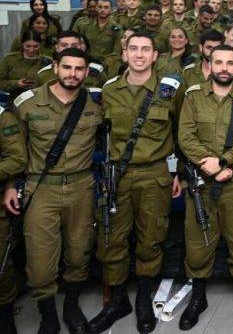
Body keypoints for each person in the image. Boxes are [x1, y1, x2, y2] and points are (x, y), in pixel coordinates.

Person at [88, 33, 183, 334]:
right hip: (117, 175)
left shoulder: (169, 91)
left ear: (155, 56)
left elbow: (182, 133)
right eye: (133, 49)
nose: (139, 54)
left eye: (145, 49)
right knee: (111, 239)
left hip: (154, 174)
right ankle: (117, 300)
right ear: (124, 54)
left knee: (150, 238)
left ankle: (144, 296)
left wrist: (180, 172)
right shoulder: (109, 90)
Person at [4, 48, 99, 334]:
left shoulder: (95, 103)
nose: (73, 74)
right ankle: (47, 313)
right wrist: (9, 185)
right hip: (41, 188)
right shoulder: (27, 103)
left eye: (79, 69)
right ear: (55, 67)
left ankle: (71, 304)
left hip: (81, 186)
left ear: (86, 72)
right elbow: (13, 151)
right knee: (40, 262)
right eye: (67, 67)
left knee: (79, 253)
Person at [176, 45, 233, 330]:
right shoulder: (193, 97)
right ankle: (198, 297)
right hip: (201, 183)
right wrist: (209, 164)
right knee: (197, 242)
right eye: (219, 62)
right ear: (209, 65)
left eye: (229, 63)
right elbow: (185, 136)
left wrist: (225, 162)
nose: (224, 68)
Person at [0, 92, 26, 334]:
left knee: (1, 264)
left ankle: (5, 313)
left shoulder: (2, 116)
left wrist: (8, 184)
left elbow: (17, 159)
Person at [0, 31, 52, 98]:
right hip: (15, 98)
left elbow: (53, 83)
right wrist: (16, 84)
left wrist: (37, 85)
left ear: (40, 45)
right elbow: (1, 82)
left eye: (35, 46)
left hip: (40, 98)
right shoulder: (9, 59)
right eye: (28, 46)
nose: (31, 50)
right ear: (22, 44)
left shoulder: (47, 61)